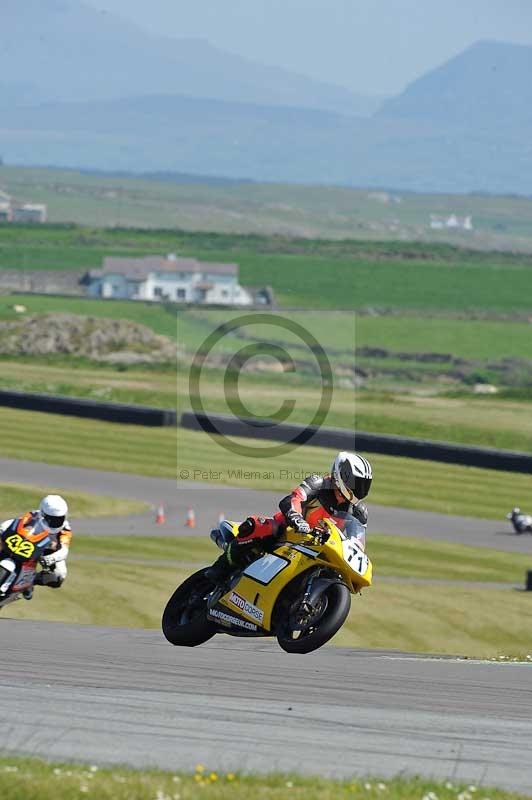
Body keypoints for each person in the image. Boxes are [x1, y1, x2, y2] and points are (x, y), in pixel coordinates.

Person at [206, 451, 373, 583]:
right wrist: (297, 518)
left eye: (364, 485)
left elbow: (357, 542)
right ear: (342, 475)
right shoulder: (318, 484)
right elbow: (293, 500)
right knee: (257, 525)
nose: (360, 489)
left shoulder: (358, 512)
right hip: (288, 532)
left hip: (319, 548)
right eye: (357, 483)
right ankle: (220, 567)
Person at [0, 494, 72, 599]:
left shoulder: (65, 530)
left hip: (48, 552)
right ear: (43, 513)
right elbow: (15, 522)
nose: (55, 522)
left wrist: (51, 558)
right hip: (25, 544)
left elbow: (64, 550)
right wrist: (2, 529)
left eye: (59, 519)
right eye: (51, 519)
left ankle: (30, 583)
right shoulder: (32, 516)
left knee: (59, 575)